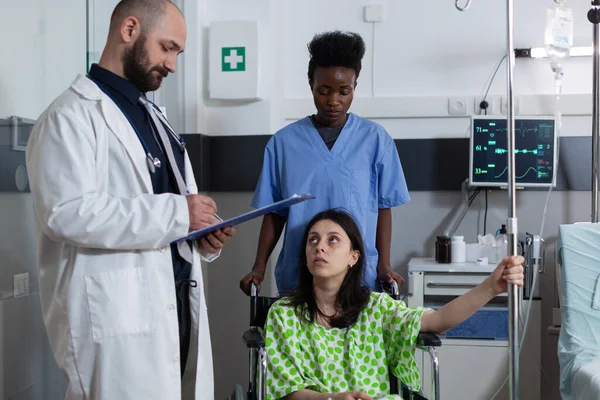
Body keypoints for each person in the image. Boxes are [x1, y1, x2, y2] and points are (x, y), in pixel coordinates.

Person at [25, 1, 234, 398]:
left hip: (172, 315)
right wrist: (178, 214)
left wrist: (199, 233)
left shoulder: (156, 120)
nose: (172, 64)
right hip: (118, 322)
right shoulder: (69, 116)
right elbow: (65, 213)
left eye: (177, 53)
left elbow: (172, 217)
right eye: (167, 47)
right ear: (129, 30)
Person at [263, 209, 524, 400]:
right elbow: (286, 391)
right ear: (306, 256)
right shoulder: (285, 314)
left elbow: (438, 321)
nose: (320, 247)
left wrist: (491, 287)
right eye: (313, 240)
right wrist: (332, 398)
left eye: (333, 240)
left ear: (354, 257)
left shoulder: (376, 308)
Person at [240, 31, 408, 297]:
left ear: (355, 87)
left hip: (358, 274)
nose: (333, 101)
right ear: (311, 85)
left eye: (344, 91)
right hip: (301, 274)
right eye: (324, 91)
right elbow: (274, 213)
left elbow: (382, 207)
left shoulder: (376, 140)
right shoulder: (283, 143)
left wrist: (384, 265)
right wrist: (258, 267)